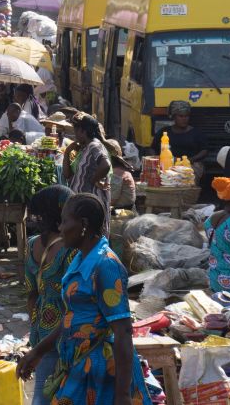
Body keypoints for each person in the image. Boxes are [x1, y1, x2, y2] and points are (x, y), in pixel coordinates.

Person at [17, 193, 151, 405]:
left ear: (84, 225)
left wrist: (123, 395)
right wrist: (37, 351)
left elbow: (123, 330)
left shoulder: (105, 265)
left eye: (65, 221)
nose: (60, 228)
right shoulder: (80, 258)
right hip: (78, 364)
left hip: (102, 369)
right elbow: (72, 316)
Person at [23, 185, 76, 405]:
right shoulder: (71, 249)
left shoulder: (32, 244)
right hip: (65, 331)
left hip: (41, 330)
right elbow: (75, 300)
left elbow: (30, 294)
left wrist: (36, 324)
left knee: (43, 391)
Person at [64, 113, 112, 236]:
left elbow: (105, 164)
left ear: (83, 131)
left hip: (92, 203)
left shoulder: (94, 146)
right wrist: (67, 152)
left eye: (76, 131)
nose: (75, 135)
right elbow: (67, 175)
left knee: (93, 235)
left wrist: (93, 180)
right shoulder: (85, 148)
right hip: (82, 203)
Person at [150, 101, 208, 180]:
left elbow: (204, 150)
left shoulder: (196, 133)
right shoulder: (165, 132)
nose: (184, 119)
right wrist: (157, 160)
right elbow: (152, 148)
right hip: (168, 164)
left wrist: (191, 160)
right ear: (174, 117)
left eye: (186, 116)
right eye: (181, 116)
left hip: (190, 164)